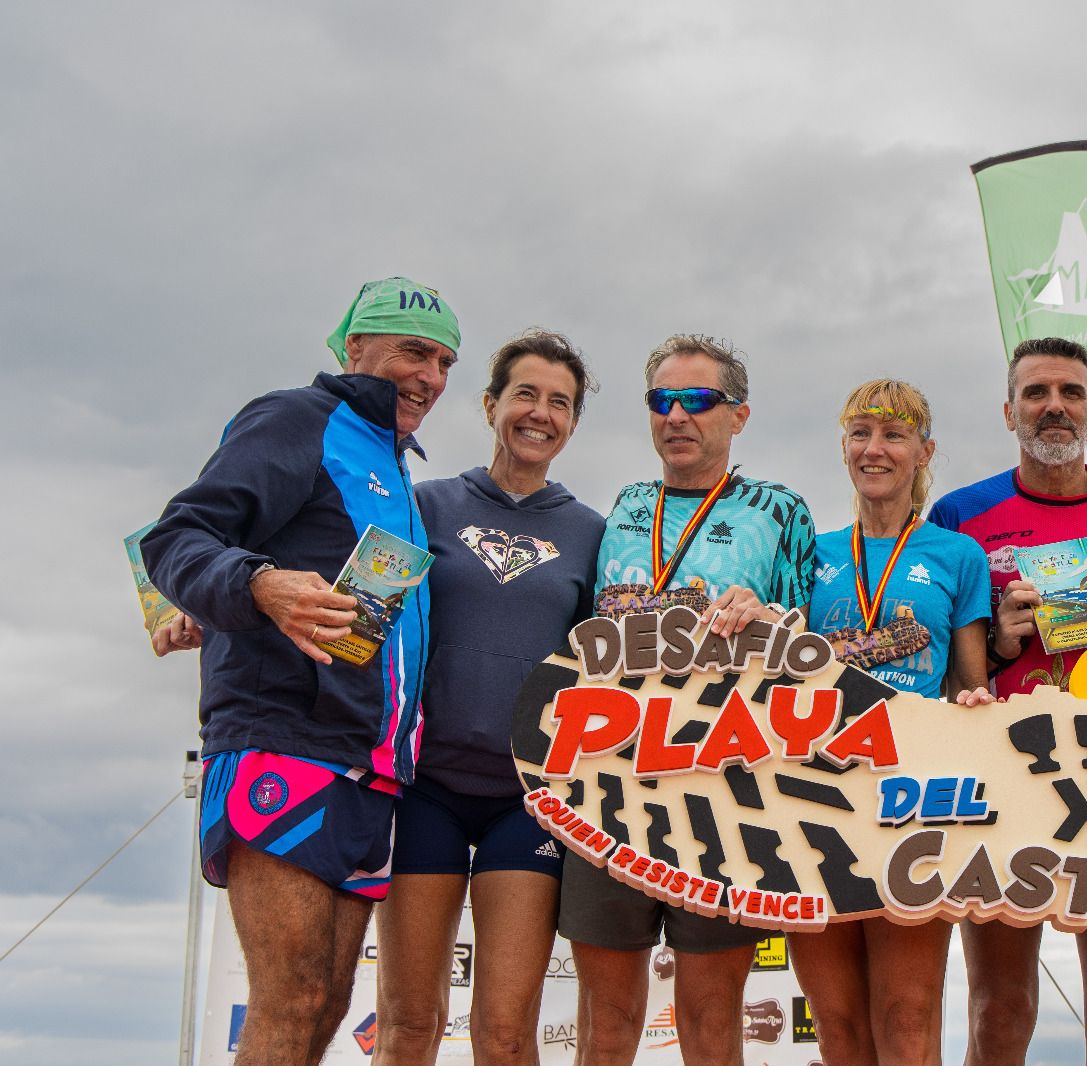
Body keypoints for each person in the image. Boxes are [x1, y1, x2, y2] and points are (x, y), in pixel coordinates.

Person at [143, 277, 459, 1066]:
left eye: (446, 362)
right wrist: (255, 586)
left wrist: (230, 595)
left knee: (326, 1006)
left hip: (370, 763)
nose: (432, 377)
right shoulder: (296, 416)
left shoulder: (395, 464)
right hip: (284, 738)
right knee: (291, 999)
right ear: (355, 347)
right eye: (414, 352)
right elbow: (179, 535)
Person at [558, 334, 816, 1065]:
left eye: (697, 400)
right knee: (604, 1031)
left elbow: (810, 653)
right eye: (660, 400)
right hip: (610, 780)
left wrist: (770, 620)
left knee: (710, 1026)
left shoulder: (781, 510)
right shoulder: (625, 505)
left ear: (738, 416)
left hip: (725, 790)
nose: (676, 415)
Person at [927, 336, 1087, 1066]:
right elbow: (943, 676)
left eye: (1070, 393)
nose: (1054, 407)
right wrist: (1002, 647)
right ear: (1009, 411)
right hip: (1001, 774)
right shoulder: (957, 515)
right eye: (1036, 393)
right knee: (1000, 1011)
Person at [375, 330, 605, 1065]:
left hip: (527, 801)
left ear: (572, 424)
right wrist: (222, 608)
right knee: (409, 1023)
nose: (540, 414)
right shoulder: (424, 505)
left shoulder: (592, 535)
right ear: (490, 404)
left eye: (560, 403)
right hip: (424, 790)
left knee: (505, 1035)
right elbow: (357, 611)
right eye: (526, 394)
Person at [791, 380, 993, 1065]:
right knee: (837, 1024)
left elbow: (970, 683)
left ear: (924, 450)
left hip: (913, 798)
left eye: (894, 435)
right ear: (844, 448)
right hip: (811, 797)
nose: (875, 449)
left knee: (908, 1018)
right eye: (860, 434)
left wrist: (973, 706)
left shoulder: (957, 556)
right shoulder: (807, 552)